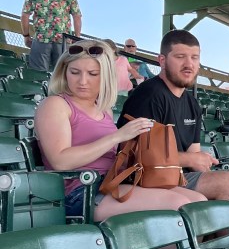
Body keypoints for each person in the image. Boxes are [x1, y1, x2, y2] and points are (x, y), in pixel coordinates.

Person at [35, 40, 206, 219]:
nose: (83, 81)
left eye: (93, 74)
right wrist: (117, 137)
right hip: (80, 192)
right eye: (74, 72)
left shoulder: (104, 110)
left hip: (112, 182)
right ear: (64, 72)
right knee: (177, 204)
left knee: (199, 202)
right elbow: (60, 162)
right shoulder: (55, 104)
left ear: (106, 76)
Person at [119, 30, 229, 200]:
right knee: (226, 182)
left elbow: (193, 152)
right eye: (180, 56)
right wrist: (190, 160)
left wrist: (201, 162)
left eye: (194, 58)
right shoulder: (149, 95)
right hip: (146, 178)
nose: (189, 64)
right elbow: (135, 157)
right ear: (162, 61)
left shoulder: (191, 103)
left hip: (179, 175)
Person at [21, 0, 82, 72]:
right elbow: (77, 17)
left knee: (38, 73)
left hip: (41, 38)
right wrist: (76, 38)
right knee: (60, 73)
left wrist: (26, 36)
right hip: (63, 40)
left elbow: (25, 16)